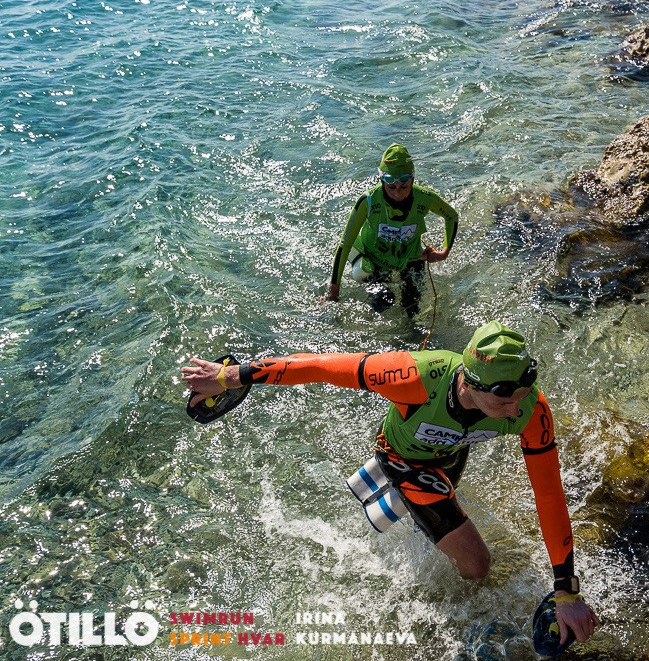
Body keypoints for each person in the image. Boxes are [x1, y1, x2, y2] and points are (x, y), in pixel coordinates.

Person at [181, 321, 600, 646]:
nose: (515, 410)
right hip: (404, 460)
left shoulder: (529, 408)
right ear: (471, 384)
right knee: (477, 566)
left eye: (522, 396)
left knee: (444, 519)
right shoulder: (413, 376)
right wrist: (230, 376)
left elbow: (549, 494)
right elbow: (320, 367)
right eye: (504, 401)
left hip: (450, 453)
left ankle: (426, 521)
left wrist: (566, 591)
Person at [325, 143, 458, 318]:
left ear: (412, 180)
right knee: (383, 302)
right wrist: (333, 292)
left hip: (411, 257)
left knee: (412, 309)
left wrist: (444, 252)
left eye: (404, 187)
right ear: (382, 182)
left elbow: (451, 216)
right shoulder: (368, 201)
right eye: (391, 187)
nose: (397, 194)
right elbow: (345, 245)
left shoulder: (424, 198)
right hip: (374, 259)